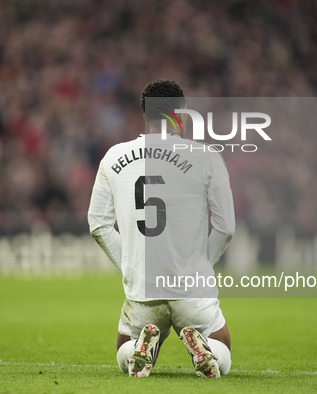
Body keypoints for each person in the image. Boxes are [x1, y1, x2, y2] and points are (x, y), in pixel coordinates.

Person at [88, 79, 235, 378]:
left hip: (143, 292)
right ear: (181, 114)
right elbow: (226, 226)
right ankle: (205, 349)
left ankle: (141, 348)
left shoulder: (114, 157)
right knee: (224, 350)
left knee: (122, 352)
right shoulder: (205, 156)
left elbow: (98, 224)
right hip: (192, 291)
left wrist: (131, 265)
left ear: (144, 115)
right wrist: (202, 264)